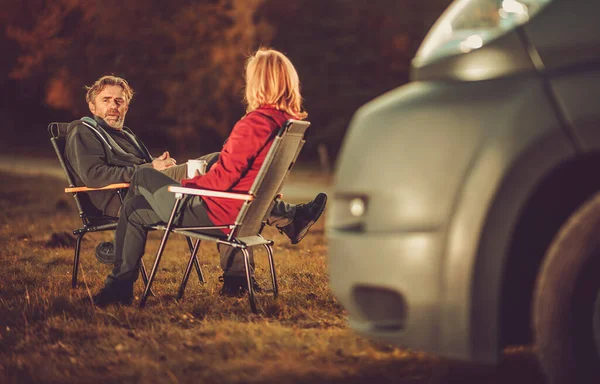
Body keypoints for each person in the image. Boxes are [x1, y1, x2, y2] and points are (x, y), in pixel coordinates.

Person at [91, 48, 321, 306]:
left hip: (218, 213)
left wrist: (185, 188)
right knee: (134, 208)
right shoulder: (286, 122)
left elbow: (222, 179)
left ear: (259, 81)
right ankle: (119, 283)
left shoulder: (254, 123)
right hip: (246, 212)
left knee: (144, 176)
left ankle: (118, 281)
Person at [64, 75, 326, 265]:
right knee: (217, 162)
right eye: (106, 100)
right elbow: (94, 175)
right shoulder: (83, 130)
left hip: (147, 189)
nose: (114, 106)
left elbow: (139, 167)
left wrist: (160, 165)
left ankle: (244, 272)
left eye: (119, 101)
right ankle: (289, 218)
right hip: (121, 200)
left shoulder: (125, 134)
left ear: (127, 106)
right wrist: (150, 168)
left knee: (231, 189)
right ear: (92, 106)